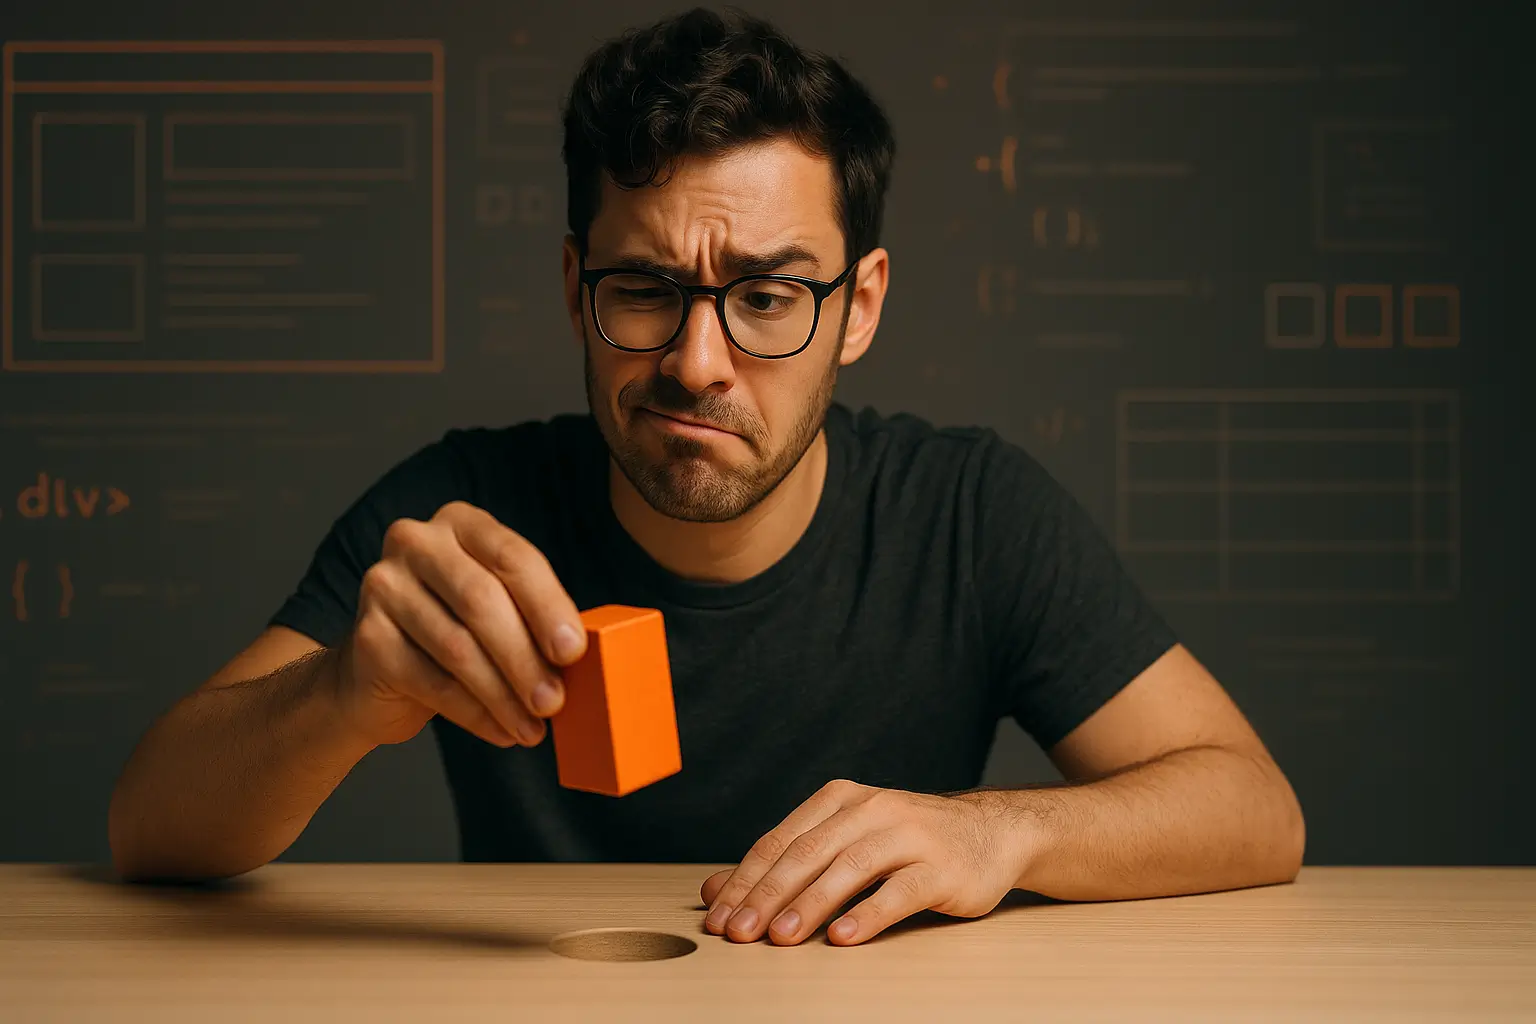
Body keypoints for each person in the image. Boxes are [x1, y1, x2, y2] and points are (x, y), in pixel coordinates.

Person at [109, 8, 1304, 947]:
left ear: (860, 308)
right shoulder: (459, 513)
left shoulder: (970, 514)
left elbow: (1255, 809)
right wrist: (339, 696)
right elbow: (149, 828)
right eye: (644, 290)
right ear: (575, 288)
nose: (697, 363)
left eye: (768, 297)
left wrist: (1000, 832)